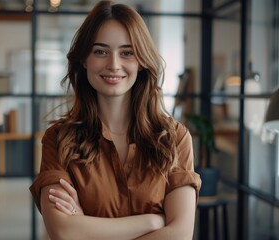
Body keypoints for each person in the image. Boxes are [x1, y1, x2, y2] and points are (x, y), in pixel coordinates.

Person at [30, 1, 201, 239]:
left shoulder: (174, 138)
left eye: (127, 52)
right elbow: (64, 232)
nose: (114, 65)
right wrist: (153, 221)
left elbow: (180, 235)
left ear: (141, 61)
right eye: (100, 51)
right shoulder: (58, 140)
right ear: (84, 59)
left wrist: (86, 226)